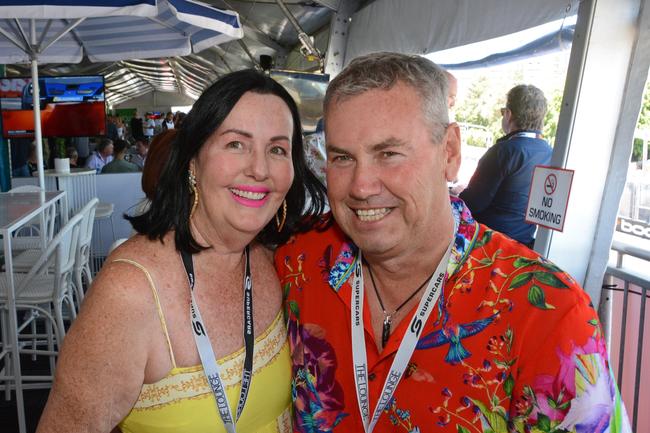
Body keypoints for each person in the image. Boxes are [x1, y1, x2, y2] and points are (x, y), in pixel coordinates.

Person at [276, 52, 630, 433]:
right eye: (342, 158)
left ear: (450, 152)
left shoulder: (549, 313)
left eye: (389, 154)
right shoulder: (296, 259)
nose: (361, 186)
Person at [36, 69, 327, 433]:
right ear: (193, 160)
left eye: (277, 149)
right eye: (236, 144)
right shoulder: (130, 291)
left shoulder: (275, 260)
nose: (259, 168)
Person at [459, 84, 553, 248]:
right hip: (523, 245)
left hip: (488, 243)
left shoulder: (504, 151)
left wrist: (457, 194)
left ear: (509, 114)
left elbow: (473, 203)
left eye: (503, 112)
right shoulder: (549, 153)